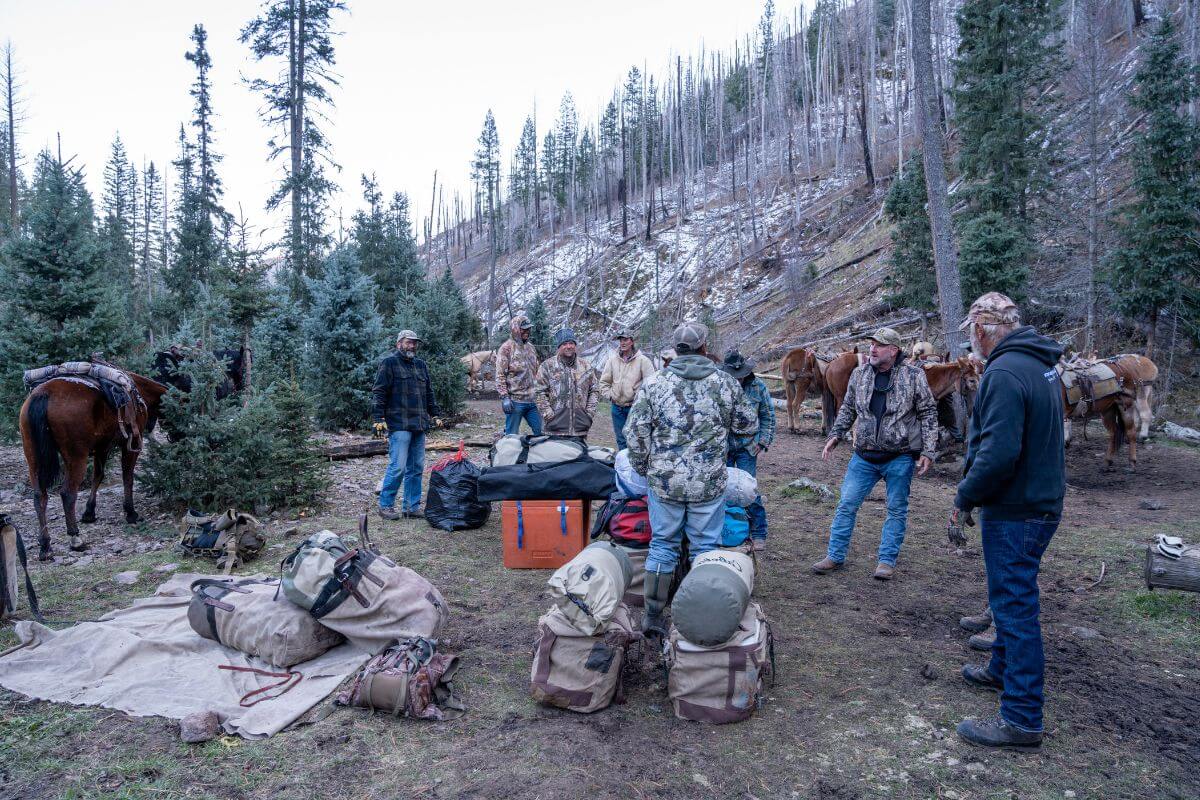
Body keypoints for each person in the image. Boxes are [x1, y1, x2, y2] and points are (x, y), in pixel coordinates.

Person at [952, 292, 1065, 751]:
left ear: (982, 329)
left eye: (972, 332)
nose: (972, 341)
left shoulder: (1001, 372)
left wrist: (964, 496)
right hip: (1039, 499)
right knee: (1008, 595)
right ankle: (1000, 669)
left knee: (1016, 608)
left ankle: (1021, 718)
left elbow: (998, 453)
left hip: (1018, 506)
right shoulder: (1040, 364)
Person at [625, 322, 758, 636]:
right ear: (703, 347)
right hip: (708, 483)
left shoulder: (654, 383)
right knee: (705, 548)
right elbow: (747, 424)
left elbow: (635, 433)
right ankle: (700, 611)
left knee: (662, 547)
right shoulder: (725, 383)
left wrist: (645, 468)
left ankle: (653, 617)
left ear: (676, 348)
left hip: (665, 482)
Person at [813, 327, 937, 580]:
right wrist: (835, 435)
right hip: (864, 456)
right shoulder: (859, 374)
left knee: (896, 509)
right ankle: (835, 556)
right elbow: (848, 408)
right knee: (846, 504)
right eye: (871, 344)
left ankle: (886, 561)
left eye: (879, 345)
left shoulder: (913, 376)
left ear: (893, 350)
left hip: (900, 456)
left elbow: (928, 413)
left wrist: (929, 450)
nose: (872, 349)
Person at [372, 330, 440, 521]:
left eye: (414, 343)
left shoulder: (421, 365)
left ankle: (411, 507)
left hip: (419, 424)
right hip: (398, 423)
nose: (412, 346)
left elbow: (429, 392)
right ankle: (385, 505)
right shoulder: (389, 363)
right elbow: (379, 391)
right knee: (398, 467)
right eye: (409, 343)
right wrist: (378, 418)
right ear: (399, 344)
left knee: (416, 467)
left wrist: (435, 414)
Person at [722, 349, 775, 551]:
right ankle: (726, 529)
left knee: (748, 489)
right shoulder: (719, 387)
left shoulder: (758, 387)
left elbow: (768, 415)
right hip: (724, 447)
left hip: (748, 447)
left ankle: (758, 532)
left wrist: (763, 441)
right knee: (721, 489)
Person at [534, 329, 599, 437]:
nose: (568, 346)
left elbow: (594, 390)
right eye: (564, 344)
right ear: (559, 347)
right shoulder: (547, 366)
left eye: (571, 343)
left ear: (575, 345)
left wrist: (589, 414)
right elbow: (538, 392)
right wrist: (549, 416)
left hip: (580, 429)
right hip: (554, 429)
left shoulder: (586, 366)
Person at [599, 329, 656, 450]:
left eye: (625, 339)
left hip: (635, 408)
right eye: (620, 340)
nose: (622, 343)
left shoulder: (643, 361)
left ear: (632, 341)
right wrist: (610, 395)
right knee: (621, 440)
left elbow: (651, 384)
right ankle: (623, 468)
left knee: (637, 439)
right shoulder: (612, 360)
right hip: (617, 408)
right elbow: (604, 382)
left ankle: (637, 467)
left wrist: (639, 400)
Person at [495, 315, 542, 435]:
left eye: (528, 329)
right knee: (511, 435)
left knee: (542, 432)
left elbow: (536, 371)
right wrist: (504, 397)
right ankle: (507, 453)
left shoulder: (531, 348)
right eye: (523, 329)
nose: (527, 332)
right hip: (515, 402)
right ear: (515, 329)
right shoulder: (506, 348)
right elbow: (500, 375)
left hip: (532, 400)